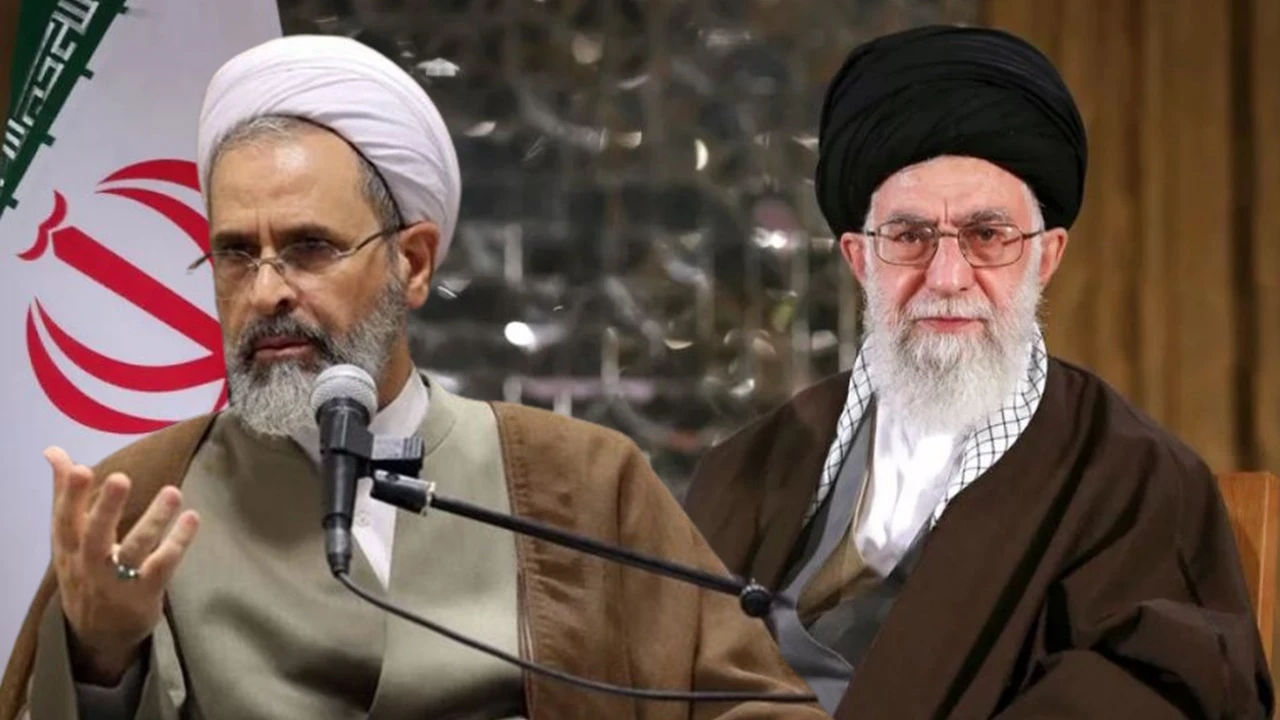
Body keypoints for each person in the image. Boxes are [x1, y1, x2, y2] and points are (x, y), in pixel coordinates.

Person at [0, 35, 827, 720]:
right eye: (235, 254)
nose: (266, 290)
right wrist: (99, 658)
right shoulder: (144, 494)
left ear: (415, 262)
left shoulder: (579, 478)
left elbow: (752, 704)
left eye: (310, 247)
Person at [683, 24, 1274, 720]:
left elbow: (1166, 692)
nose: (947, 277)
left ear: (1046, 256)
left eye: (987, 235)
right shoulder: (747, 467)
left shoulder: (1137, 482)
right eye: (909, 236)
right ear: (858, 258)